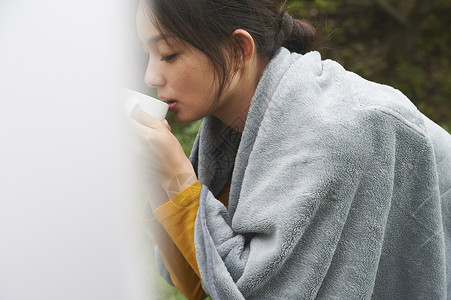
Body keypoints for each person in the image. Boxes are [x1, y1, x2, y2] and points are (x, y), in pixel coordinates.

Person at [131, 0, 451, 299]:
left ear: (238, 50)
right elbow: (204, 282)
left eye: (168, 54)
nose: (151, 77)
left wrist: (178, 178)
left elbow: (257, 291)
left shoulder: (335, 133)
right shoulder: (234, 125)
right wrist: (157, 174)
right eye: (148, 54)